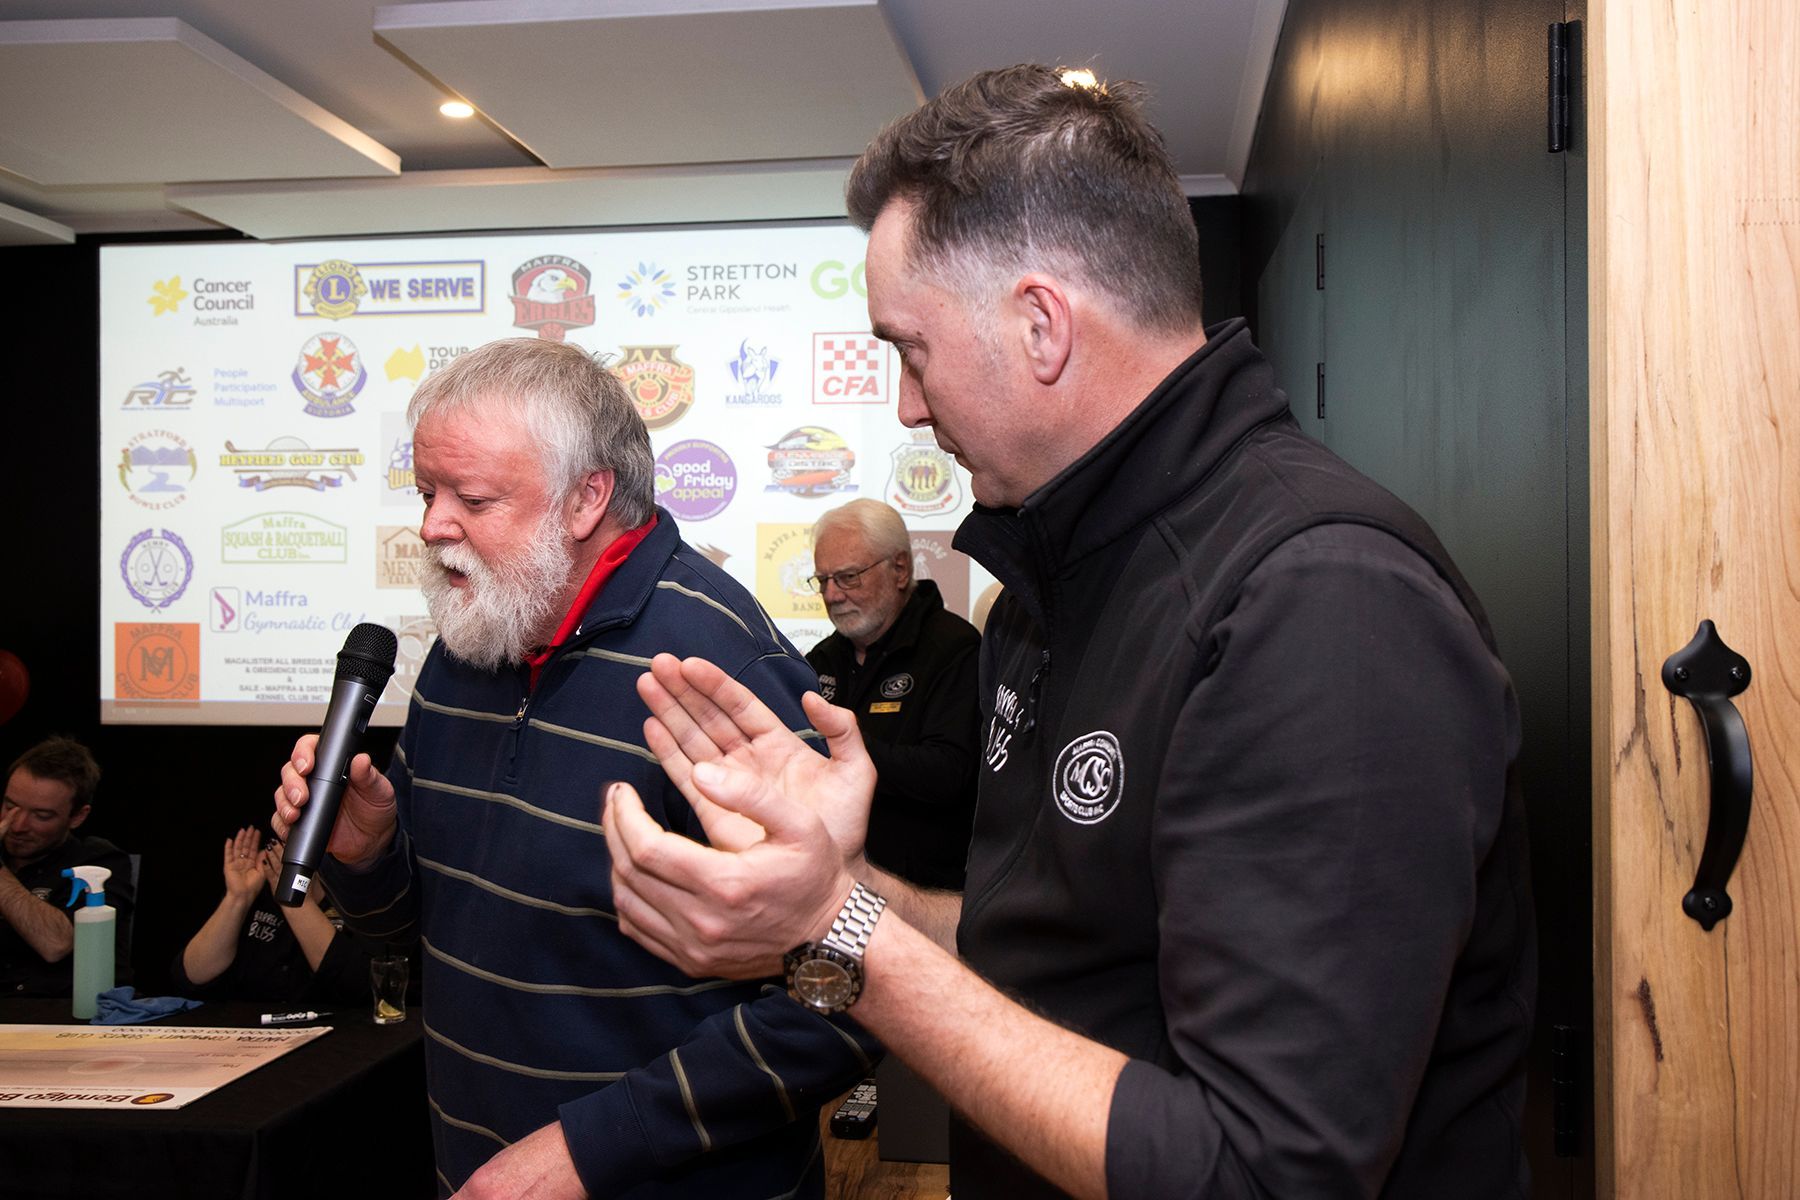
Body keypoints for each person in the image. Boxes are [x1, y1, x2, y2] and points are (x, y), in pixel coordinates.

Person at [602, 64, 1536, 1200]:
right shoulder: (1054, 589)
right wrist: (850, 886)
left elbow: (1265, 1172)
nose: (905, 402)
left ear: (1041, 325)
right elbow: (1051, 964)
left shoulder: (1320, 600)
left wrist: (837, 934)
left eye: (911, 347)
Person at [271, 337, 873, 1200]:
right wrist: (367, 856)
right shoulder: (470, 639)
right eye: (427, 493)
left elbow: (841, 999)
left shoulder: (716, 671)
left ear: (588, 498)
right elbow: (417, 934)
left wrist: (591, 1149)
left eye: (472, 498)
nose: (435, 526)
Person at [805, 499, 979, 889]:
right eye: (822, 580)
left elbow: (950, 773)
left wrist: (847, 749)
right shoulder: (822, 660)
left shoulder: (954, 648)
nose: (832, 595)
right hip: (835, 889)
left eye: (848, 577)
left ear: (899, 569)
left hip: (926, 899)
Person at [172, 826, 376, 1004]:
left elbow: (361, 989)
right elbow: (191, 978)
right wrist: (237, 899)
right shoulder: (261, 884)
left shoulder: (357, 898)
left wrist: (294, 899)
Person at [0, 736, 135, 997]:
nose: (17, 825)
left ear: (77, 816)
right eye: (10, 806)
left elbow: (55, 944)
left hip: (64, 1017)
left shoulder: (100, 864)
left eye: (41, 816)